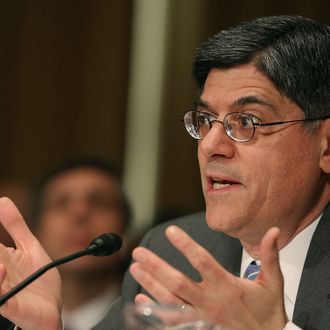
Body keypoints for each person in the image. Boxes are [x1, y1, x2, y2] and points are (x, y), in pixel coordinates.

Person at [0, 14, 329, 330]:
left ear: (325, 145)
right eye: (205, 120)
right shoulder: (172, 250)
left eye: (246, 122)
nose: (211, 145)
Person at [30, 156, 131, 330]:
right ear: (35, 233)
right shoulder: (10, 319)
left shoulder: (151, 320)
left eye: (100, 203)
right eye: (61, 203)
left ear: (124, 230)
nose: (80, 213)